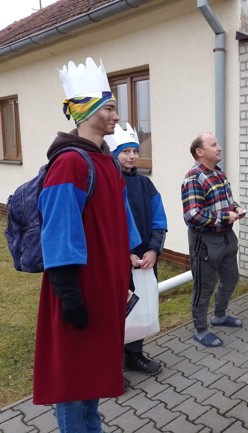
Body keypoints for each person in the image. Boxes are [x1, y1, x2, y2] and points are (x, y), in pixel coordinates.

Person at [33, 57, 141, 432]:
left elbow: (120, 227)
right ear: (86, 110)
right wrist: (70, 298)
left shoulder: (107, 163)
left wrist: (125, 275)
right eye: (109, 107)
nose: (116, 115)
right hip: (78, 293)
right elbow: (59, 236)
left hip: (104, 291)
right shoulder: (70, 165)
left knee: (92, 377)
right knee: (75, 383)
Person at [105, 123, 168, 375]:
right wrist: (124, 253)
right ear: (113, 153)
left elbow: (159, 220)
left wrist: (153, 250)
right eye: (125, 151)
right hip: (119, 259)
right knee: (116, 308)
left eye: (135, 151)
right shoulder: (108, 184)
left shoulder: (145, 184)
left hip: (144, 258)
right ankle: (111, 361)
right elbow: (107, 225)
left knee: (140, 307)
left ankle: (134, 354)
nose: (132, 156)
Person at [181, 132, 246, 348]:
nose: (219, 148)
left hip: (226, 238)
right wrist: (224, 217)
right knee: (204, 287)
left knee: (231, 278)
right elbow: (192, 216)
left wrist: (236, 208)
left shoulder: (218, 173)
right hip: (206, 242)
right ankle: (201, 330)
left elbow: (227, 200)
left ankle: (219, 316)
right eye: (213, 144)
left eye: (218, 144)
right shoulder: (193, 178)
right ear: (200, 152)